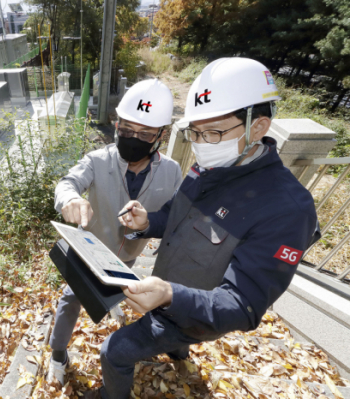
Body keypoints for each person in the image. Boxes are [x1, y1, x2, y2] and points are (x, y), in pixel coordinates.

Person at [84, 58, 320, 399]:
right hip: (169, 288)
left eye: (213, 132)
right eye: (195, 132)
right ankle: (178, 352)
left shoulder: (286, 209)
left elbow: (244, 305)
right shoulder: (214, 163)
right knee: (163, 340)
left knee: (114, 350)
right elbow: (177, 215)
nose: (200, 144)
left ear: (258, 126)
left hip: (193, 315)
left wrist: (170, 296)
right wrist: (149, 221)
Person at [48, 79, 183, 385]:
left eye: (145, 134)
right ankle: (58, 352)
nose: (134, 139)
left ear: (161, 134)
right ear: (116, 124)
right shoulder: (98, 160)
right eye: (126, 129)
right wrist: (70, 199)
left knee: (119, 288)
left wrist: (154, 226)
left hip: (129, 258)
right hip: (89, 252)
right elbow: (67, 183)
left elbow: (176, 212)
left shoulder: (172, 171)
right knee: (71, 299)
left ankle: (113, 306)